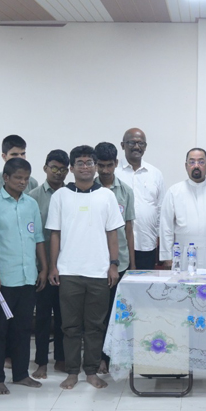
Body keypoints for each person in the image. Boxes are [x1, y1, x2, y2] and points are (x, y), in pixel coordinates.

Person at [46, 145, 124, 390]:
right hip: (68, 272)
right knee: (70, 326)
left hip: (99, 272)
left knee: (95, 325)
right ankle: (72, 371)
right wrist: (53, 267)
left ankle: (91, 371)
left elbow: (113, 235)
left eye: (89, 162)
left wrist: (113, 266)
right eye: (79, 162)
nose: (85, 166)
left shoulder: (107, 196)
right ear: (71, 168)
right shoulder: (60, 196)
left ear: (95, 166)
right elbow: (55, 235)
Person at [0, 158, 48, 395]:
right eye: (18, 177)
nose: (22, 182)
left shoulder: (30, 204)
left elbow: (38, 238)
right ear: (5, 178)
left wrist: (44, 268)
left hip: (28, 277)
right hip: (3, 280)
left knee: (22, 329)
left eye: (26, 178)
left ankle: (20, 374)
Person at [95, 142, 136, 373]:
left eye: (109, 165)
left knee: (116, 312)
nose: (105, 171)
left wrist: (132, 264)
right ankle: (100, 357)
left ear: (116, 164)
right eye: (100, 165)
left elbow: (129, 230)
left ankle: (118, 356)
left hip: (119, 261)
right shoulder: (90, 189)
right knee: (98, 315)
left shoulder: (125, 192)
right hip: (96, 262)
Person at [29, 149, 69, 378]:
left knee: (65, 317)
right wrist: (44, 267)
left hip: (67, 266)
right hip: (41, 267)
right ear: (45, 168)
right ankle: (41, 361)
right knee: (43, 316)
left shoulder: (72, 194)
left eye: (63, 169)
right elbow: (35, 236)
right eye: (54, 167)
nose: (58, 173)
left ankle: (62, 359)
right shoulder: (33, 196)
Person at [159, 148, 206, 270]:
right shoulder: (174, 192)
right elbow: (166, 227)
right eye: (192, 162)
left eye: (201, 162)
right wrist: (167, 257)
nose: (196, 166)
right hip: (182, 255)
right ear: (186, 166)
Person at [116, 128, 164, 270]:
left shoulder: (155, 174)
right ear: (123, 145)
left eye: (141, 143)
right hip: (118, 245)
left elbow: (160, 208)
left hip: (146, 242)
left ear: (145, 147)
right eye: (131, 142)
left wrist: (159, 238)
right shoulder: (114, 173)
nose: (137, 147)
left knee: (144, 288)